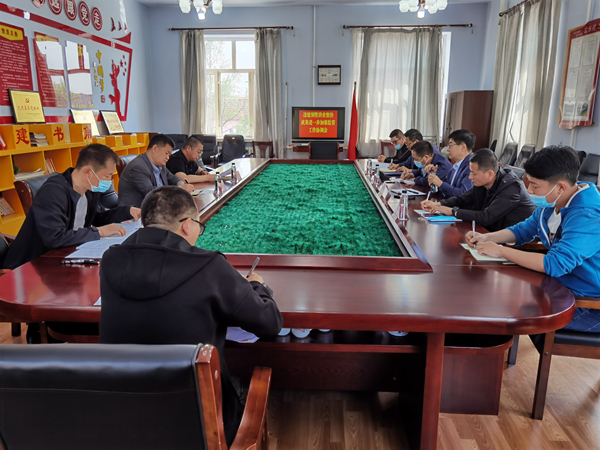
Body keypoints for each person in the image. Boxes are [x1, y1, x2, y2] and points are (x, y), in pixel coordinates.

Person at [100, 186, 283, 445]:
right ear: (187, 225)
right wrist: (257, 285)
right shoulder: (209, 267)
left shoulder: (109, 260)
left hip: (126, 414)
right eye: (199, 225)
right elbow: (270, 322)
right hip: (200, 419)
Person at [467, 146, 600, 332]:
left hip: (586, 302)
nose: (529, 190)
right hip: (557, 287)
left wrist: (501, 251)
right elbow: (523, 230)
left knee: (501, 308)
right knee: (490, 295)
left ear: (560, 187)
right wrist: (487, 237)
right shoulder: (552, 203)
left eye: (535, 186)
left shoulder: (587, 214)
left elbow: (555, 263)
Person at [4, 143, 140, 270]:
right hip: (33, 264)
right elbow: (55, 237)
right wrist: (98, 232)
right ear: (88, 172)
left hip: (68, 254)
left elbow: (98, 217)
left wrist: (128, 211)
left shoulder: (89, 190)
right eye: (107, 176)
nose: (109, 181)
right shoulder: (53, 192)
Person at [422, 149, 535, 231]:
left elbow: (485, 217)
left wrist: (452, 211)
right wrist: (439, 204)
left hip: (517, 243)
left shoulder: (512, 188)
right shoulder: (484, 182)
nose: (470, 177)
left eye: (474, 173)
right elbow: (462, 199)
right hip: (490, 234)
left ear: (490, 173)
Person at [117, 134, 195, 207]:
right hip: (137, 212)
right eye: (166, 153)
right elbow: (151, 193)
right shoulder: (138, 167)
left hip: (158, 207)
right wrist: (179, 189)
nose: (168, 158)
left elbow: (172, 178)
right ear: (155, 149)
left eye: (169, 155)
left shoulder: (161, 165)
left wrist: (181, 184)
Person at [427, 129, 475, 199]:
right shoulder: (456, 165)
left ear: (463, 147)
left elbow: (464, 194)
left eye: (450, 145)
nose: (447, 149)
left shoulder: (472, 166)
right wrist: (433, 177)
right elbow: (447, 187)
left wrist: (441, 184)